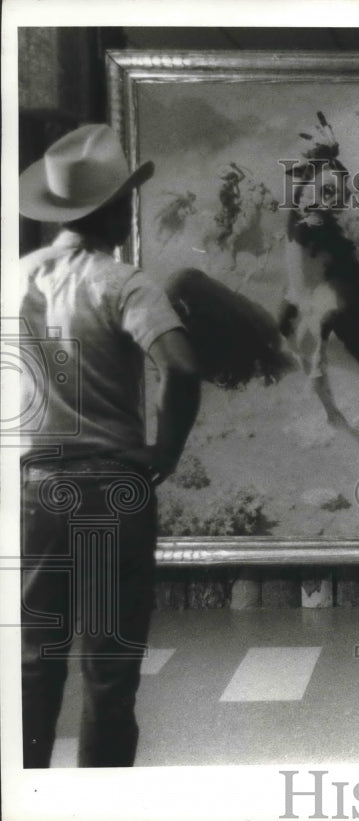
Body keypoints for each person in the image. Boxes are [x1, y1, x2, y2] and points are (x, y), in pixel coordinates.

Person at [18, 123, 201, 767]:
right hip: (112, 491)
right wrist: (166, 454)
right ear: (114, 206)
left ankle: (27, 792)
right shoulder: (123, 283)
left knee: (34, 662)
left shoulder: (14, 280)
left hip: (36, 492)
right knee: (108, 667)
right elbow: (179, 366)